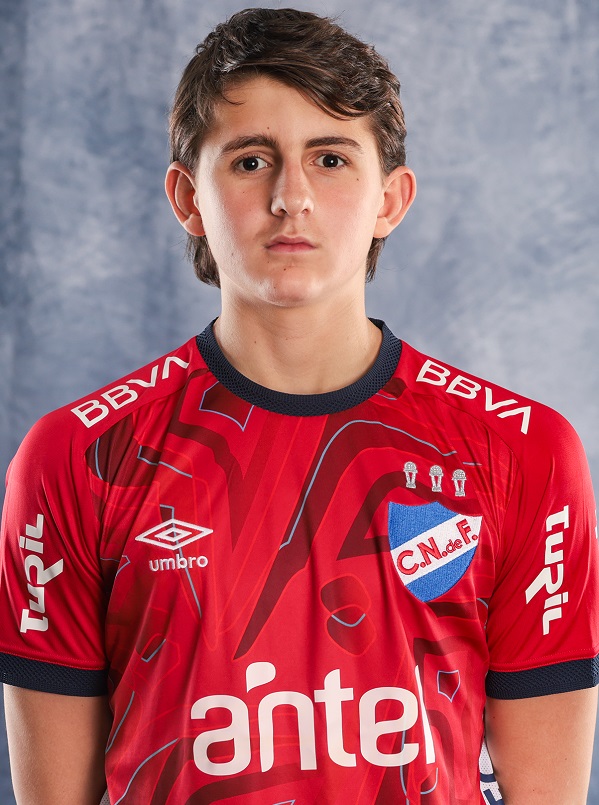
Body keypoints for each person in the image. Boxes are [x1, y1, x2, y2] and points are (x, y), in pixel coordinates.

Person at [0, 8, 597, 804]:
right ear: (187, 197)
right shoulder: (77, 455)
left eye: (330, 158)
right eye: (251, 160)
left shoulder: (521, 449)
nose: (291, 197)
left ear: (390, 199)